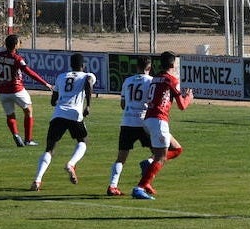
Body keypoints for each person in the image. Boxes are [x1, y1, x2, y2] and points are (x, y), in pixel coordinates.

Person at [132, 51, 194, 200]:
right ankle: (139, 187)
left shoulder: (155, 79)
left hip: (149, 119)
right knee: (161, 157)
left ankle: (149, 165)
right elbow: (182, 106)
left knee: (177, 149)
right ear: (173, 64)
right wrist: (189, 98)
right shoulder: (172, 80)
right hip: (159, 120)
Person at [30, 53, 95, 191]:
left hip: (58, 114)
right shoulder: (87, 75)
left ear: (70, 65)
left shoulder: (61, 77)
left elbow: (53, 101)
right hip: (74, 114)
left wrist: (60, 100)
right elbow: (89, 83)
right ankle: (71, 164)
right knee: (83, 141)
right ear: (83, 65)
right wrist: (88, 105)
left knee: (49, 149)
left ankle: (37, 180)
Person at [0, 34, 54, 147]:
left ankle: (16, 134)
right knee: (28, 111)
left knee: (10, 115)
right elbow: (29, 72)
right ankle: (28, 140)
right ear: (15, 45)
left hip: (3, 92)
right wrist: (45, 83)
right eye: (19, 42)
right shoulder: (17, 58)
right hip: (17, 90)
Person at [106, 55, 153, 196]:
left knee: (121, 157)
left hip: (127, 122)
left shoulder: (127, 81)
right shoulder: (151, 82)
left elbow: (122, 104)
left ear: (136, 66)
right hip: (144, 122)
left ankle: (113, 186)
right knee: (158, 154)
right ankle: (146, 181)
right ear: (149, 68)